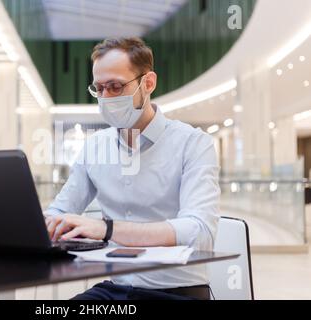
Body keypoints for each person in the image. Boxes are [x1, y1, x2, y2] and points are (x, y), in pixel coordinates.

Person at [44, 37, 220, 300]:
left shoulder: (193, 144)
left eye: (115, 86)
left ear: (147, 83)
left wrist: (107, 229)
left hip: (177, 292)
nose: (105, 97)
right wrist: (37, 225)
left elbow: (199, 232)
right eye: (99, 89)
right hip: (116, 289)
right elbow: (61, 210)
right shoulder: (95, 147)